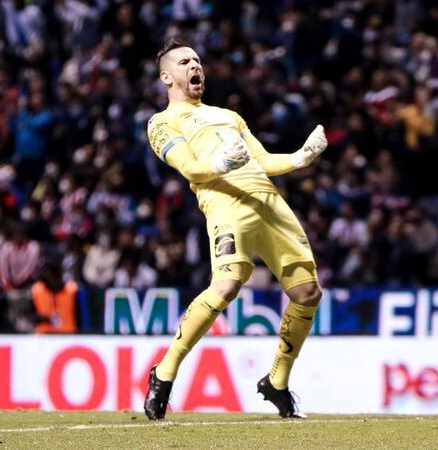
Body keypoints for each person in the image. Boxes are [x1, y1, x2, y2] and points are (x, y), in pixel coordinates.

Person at [143, 38, 328, 420]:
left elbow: (263, 161)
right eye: (184, 62)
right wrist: (220, 164)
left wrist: (300, 157)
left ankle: (276, 382)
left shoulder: (229, 116)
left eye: (197, 60)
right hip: (226, 203)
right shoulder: (161, 123)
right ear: (166, 76)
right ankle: (164, 373)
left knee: (308, 292)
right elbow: (191, 169)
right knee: (226, 286)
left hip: (270, 202)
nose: (195, 66)